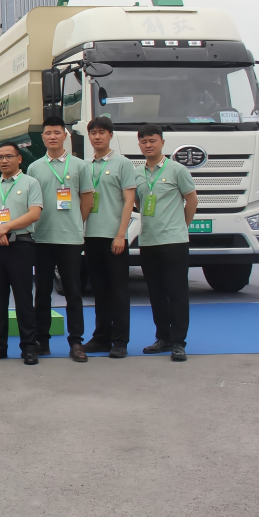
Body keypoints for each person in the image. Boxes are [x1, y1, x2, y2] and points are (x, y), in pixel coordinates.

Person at [28, 117, 94, 362]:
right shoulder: (35, 168)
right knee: (42, 291)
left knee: (73, 291)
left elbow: (87, 200)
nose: (52, 136)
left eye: (57, 132)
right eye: (48, 133)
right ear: (42, 137)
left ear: (65, 135)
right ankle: (42, 341)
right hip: (42, 237)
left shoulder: (80, 166)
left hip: (70, 239)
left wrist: (75, 223)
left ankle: (76, 342)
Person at [134, 124, 198, 362]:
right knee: (156, 292)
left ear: (162, 142)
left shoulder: (177, 170)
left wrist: (182, 225)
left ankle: (179, 342)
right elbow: (139, 203)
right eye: (144, 141)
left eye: (152, 140)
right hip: (148, 241)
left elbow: (192, 201)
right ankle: (163, 337)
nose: (148, 145)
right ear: (139, 145)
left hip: (174, 241)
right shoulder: (137, 174)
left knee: (177, 292)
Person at [0, 142, 43, 365]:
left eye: (8, 156)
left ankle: (29, 347)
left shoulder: (30, 183)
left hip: (21, 245)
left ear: (19, 159)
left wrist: (6, 227)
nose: (3, 161)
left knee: (23, 298)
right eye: (0, 157)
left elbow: (34, 213)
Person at [81, 117, 137, 359]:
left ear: (110, 135)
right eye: (93, 132)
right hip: (91, 236)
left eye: (102, 132)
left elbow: (129, 200)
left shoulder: (122, 164)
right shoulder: (86, 166)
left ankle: (120, 340)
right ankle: (101, 337)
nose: (97, 137)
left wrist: (121, 234)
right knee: (100, 290)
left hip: (114, 236)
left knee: (118, 290)